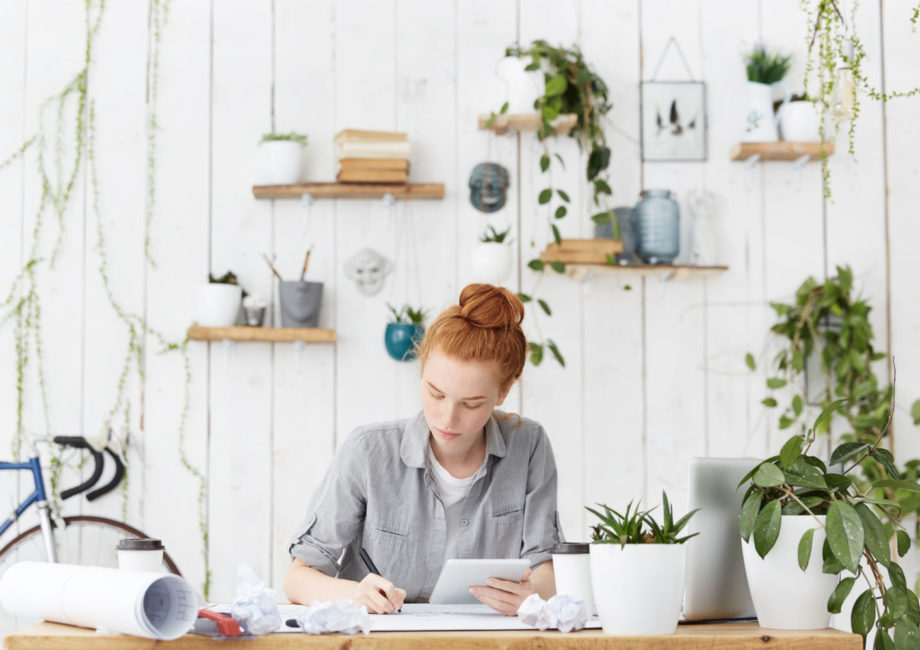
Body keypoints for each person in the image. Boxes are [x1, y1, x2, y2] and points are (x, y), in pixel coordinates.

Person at [284, 283, 561, 615]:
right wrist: (354, 594)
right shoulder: (368, 451)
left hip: (486, 636)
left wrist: (533, 594)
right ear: (422, 370)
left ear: (503, 392)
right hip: (380, 637)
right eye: (435, 393)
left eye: (472, 404)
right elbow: (298, 578)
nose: (447, 418)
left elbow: (545, 565)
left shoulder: (529, 445)